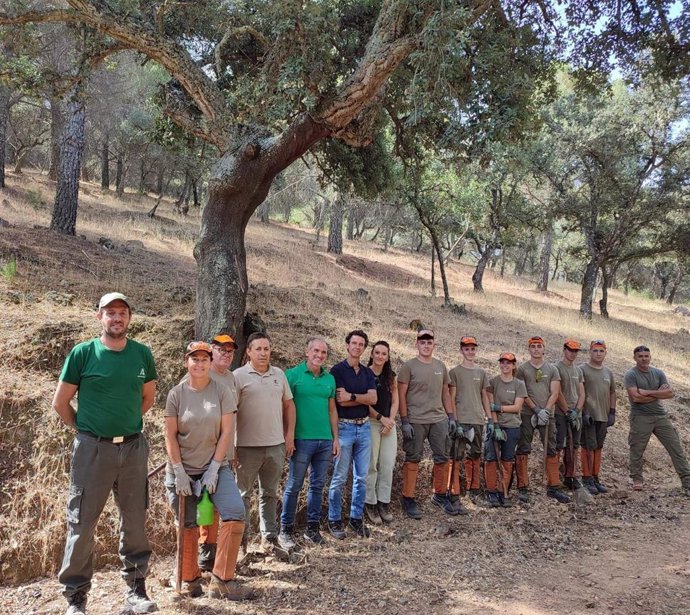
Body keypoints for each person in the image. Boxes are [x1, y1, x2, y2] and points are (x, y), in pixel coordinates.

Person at [52, 292, 158, 615]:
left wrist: (123, 429)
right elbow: (61, 402)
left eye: (122, 313)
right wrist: (87, 432)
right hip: (92, 450)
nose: (116, 318)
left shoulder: (142, 354)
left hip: (132, 448)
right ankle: (76, 598)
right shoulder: (83, 353)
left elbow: (147, 400)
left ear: (129, 318)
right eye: (110, 312)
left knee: (135, 519)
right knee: (82, 523)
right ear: (99, 317)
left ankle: (136, 591)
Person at [164, 342, 252, 600]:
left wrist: (214, 468)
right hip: (182, 469)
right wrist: (179, 471)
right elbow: (170, 435)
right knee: (188, 524)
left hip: (214, 467)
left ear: (210, 361)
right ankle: (189, 579)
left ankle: (222, 580)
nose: (200, 364)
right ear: (186, 362)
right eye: (195, 359)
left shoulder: (222, 391)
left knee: (235, 512)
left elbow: (227, 432)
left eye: (205, 359)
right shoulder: (176, 394)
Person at [180, 333, 239, 573]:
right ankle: (199, 554)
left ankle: (213, 553)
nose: (225, 354)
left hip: (224, 453)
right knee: (198, 506)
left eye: (230, 350)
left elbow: (232, 419)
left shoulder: (232, 379)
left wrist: (232, 451)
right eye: (221, 349)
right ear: (211, 352)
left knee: (215, 505)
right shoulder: (197, 377)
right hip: (198, 455)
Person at [233, 333, 296, 548]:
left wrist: (289, 436)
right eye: (258, 349)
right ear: (249, 351)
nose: (263, 353)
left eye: (266, 349)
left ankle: (269, 538)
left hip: (275, 445)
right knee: (243, 495)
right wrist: (232, 444)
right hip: (246, 447)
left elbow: (289, 405)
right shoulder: (239, 376)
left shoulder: (279, 374)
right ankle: (241, 542)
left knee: (269, 493)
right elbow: (230, 412)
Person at [278, 338, 339, 548]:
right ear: (307, 351)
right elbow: (285, 408)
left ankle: (312, 529)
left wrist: (335, 438)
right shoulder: (292, 376)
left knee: (317, 486)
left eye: (323, 352)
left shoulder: (329, 379)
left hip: (324, 440)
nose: (319, 355)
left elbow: (332, 410)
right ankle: (285, 529)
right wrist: (289, 435)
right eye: (315, 350)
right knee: (294, 485)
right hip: (301, 440)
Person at [398, 329, 458, 519]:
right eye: (422, 342)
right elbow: (401, 395)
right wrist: (405, 420)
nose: (426, 345)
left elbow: (445, 393)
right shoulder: (408, 367)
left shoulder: (441, 366)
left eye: (429, 342)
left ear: (434, 344)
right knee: (413, 458)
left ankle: (440, 494)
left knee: (443, 457)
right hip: (416, 420)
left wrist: (451, 417)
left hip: (439, 419)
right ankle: (408, 498)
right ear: (417, 344)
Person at [328, 329, 377, 539]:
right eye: (354, 343)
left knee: (361, 477)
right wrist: (361, 398)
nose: (357, 347)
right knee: (339, 477)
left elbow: (373, 399)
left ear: (364, 349)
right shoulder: (337, 371)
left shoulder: (367, 373)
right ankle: (334, 520)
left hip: (364, 427)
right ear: (347, 345)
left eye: (361, 344)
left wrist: (353, 396)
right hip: (345, 427)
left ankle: (356, 519)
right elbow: (340, 400)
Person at [624, 345, 690, 495]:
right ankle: (637, 480)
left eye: (646, 356)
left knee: (676, 448)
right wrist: (658, 394)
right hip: (640, 417)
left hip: (661, 416)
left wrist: (647, 392)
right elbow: (636, 397)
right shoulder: (631, 375)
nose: (644, 359)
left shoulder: (658, 373)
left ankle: (687, 480)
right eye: (640, 356)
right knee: (637, 450)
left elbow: (669, 394)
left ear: (650, 357)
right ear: (635, 358)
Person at [516, 336, 571, 504]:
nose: (536, 349)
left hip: (549, 415)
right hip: (528, 413)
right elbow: (522, 391)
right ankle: (522, 487)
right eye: (533, 346)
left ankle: (553, 486)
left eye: (539, 346)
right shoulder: (522, 369)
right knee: (524, 447)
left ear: (544, 349)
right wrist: (535, 410)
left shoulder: (552, 369)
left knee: (551, 448)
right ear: (529, 349)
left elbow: (555, 392)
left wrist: (546, 410)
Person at [449, 336, 491, 504]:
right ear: (461, 350)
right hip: (461, 419)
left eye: (472, 348)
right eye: (466, 349)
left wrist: (489, 419)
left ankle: (473, 490)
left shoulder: (481, 373)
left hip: (477, 419)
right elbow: (451, 398)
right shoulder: (454, 372)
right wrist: (455, 420)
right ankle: (454, 490)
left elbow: (485, 397)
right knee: (457, 455)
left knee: (475, 455)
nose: (470, 351)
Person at [485, 352, 527, 507]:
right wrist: (495, 425)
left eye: (508, 363)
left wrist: (499, 407)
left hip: (512, 426)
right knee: (490, 459)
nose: (505, 365)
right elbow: (490, 406)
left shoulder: (519, 384)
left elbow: (517, 407)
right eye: (502, 362)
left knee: (507, 460)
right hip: (495, 425)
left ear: (513, 365)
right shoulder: (492, 383)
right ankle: (491, 493)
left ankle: (504, 491)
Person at [364, 340, 399, 525]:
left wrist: (390, 421)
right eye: (377, 353)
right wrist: (380, 418)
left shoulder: (390, 376)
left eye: (383, 354)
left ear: (387, 356)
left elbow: (395, 401)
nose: (380, 356)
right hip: (372, 422)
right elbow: (365, 402)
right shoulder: (364, 374)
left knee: (387, 463)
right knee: (372, 464)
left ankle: (383, 502)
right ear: (371, 354)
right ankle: (369, 502)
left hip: (389, 425)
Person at [580, 340, 616, 495]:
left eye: (601, 351)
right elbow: (577, 392)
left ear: (605, 353)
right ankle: (586, 477)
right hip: (589, 415)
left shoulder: (608, 372)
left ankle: (595, 477)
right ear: (590, 352)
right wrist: (581, 412)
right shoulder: (582, 369)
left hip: (603, 415)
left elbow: (612, 392)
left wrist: (612, 412)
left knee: (598, 447)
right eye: (595, 350)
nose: (598, 353)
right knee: (588, 446)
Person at [555, 339, 585, 492]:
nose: (572, 353)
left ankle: (570, 476)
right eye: (570, 350)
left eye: (575, 351)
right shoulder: (557, 368)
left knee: (574, 446)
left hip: (575, 414)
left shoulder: (578, 370)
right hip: (560, 413)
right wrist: (567, 411)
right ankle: (554, 478)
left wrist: (577, 411)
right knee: (559, 444)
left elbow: (582, 393)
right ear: (564, 350)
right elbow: (557, 392)